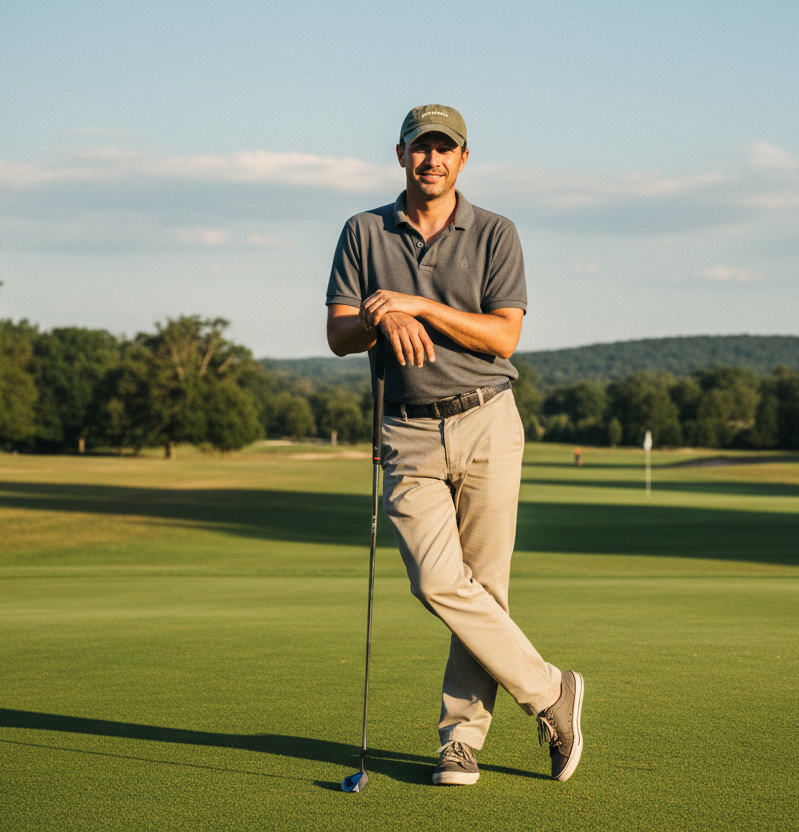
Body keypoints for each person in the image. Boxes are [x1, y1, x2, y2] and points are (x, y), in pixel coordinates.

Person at [325, 104, 584, 786]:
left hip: (487, 420)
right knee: (438, 580)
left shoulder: (496, 232)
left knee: (486, 590)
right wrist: (379, 315)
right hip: (406, 430)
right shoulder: (362, 231)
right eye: (420, 148)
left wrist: (415, 304)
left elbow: (503, 337)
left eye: (445, 149)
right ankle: (551, 692)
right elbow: (339, 336)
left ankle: (459, 741)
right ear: (401, 154)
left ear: (463, 159)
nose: (431, 160)